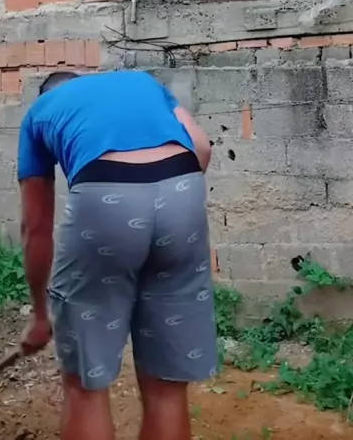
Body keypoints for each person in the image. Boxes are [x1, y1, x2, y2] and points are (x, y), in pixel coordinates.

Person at [17, 68, 216, 440]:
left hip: (105, 196)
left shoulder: (40, 111)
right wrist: (166, 210)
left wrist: (41, 316)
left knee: (86, 387)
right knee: (167, 386)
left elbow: (36, 229)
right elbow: (201, 148)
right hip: (183, 189)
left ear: (46, 92)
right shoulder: (141, 82)